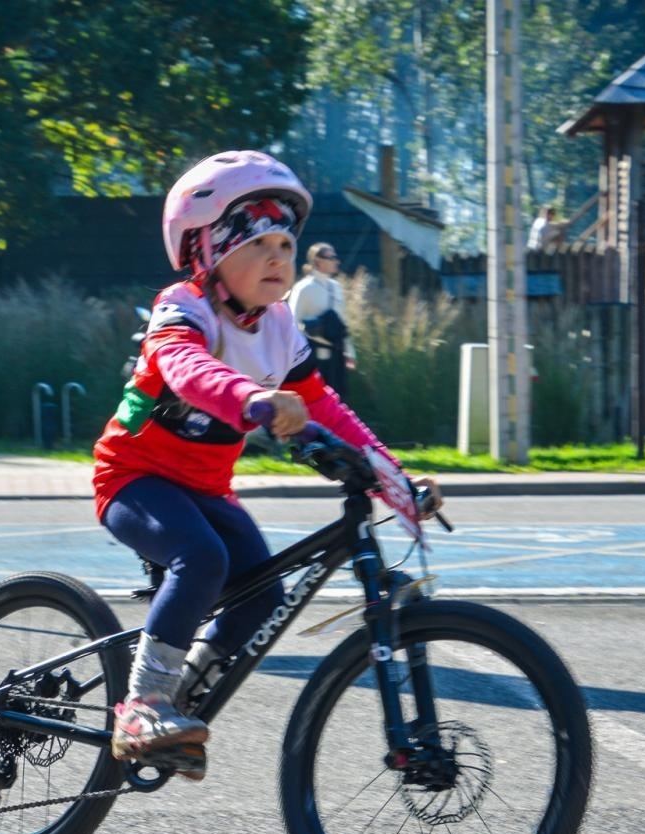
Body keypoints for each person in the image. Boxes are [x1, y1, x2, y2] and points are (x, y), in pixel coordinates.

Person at [93, 149, 439, 779]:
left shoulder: (280, 328)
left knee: (262, 594)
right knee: (203, 558)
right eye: (258, 244)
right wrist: (249, 398)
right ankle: (142, 704)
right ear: (209, 252)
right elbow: (186, 370)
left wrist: (396, 480)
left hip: (207, 489)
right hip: (134, 479)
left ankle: (178, 700)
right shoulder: (184, 306)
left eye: (286, 242)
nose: (279, 257)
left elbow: (327, 409)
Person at [287, 242, 355, 398]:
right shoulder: (303, 288)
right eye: (331, 257)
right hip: (312, 353)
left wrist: (350, 352)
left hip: (336, 353)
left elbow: (342, 322)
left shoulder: (336, 287)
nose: (336, 261)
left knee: (338, 399)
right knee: (314, 399)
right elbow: (292, 321)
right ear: (318, 261)